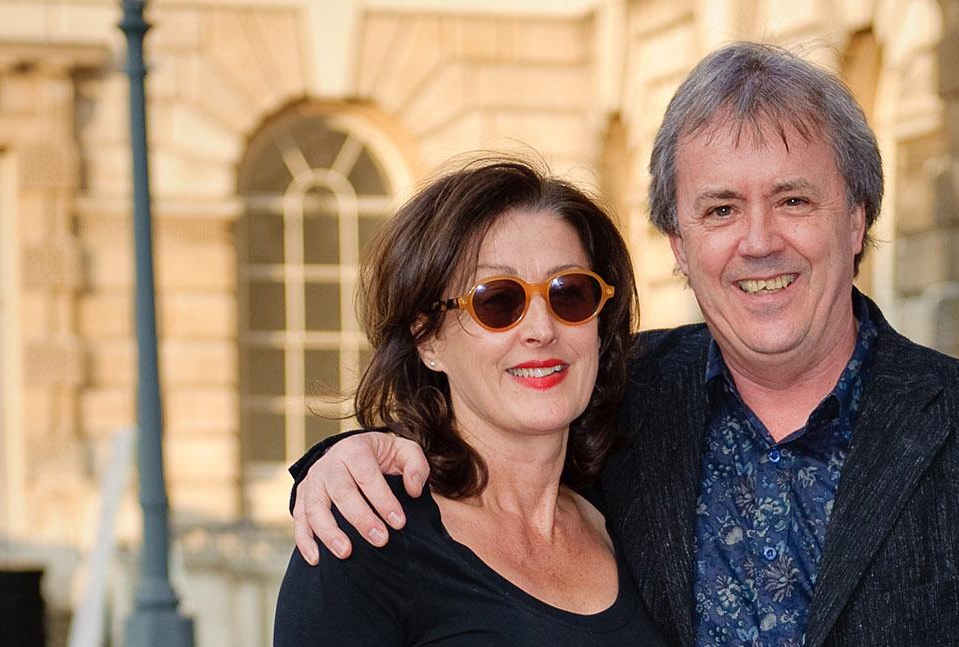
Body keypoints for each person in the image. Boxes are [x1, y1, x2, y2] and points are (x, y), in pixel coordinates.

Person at [289, 42, 959, 646]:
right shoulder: (624, 400)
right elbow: (483, 435)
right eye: (719, 209)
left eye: (793, 199)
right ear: (677, 242)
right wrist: (345, 455)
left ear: (857, 220)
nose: (758, 242)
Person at [273, 159, 667, 646]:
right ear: (428, 338)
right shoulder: (369, 533)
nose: (542, 330)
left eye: (569, 294)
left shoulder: (636, 518)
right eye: (498, 301)